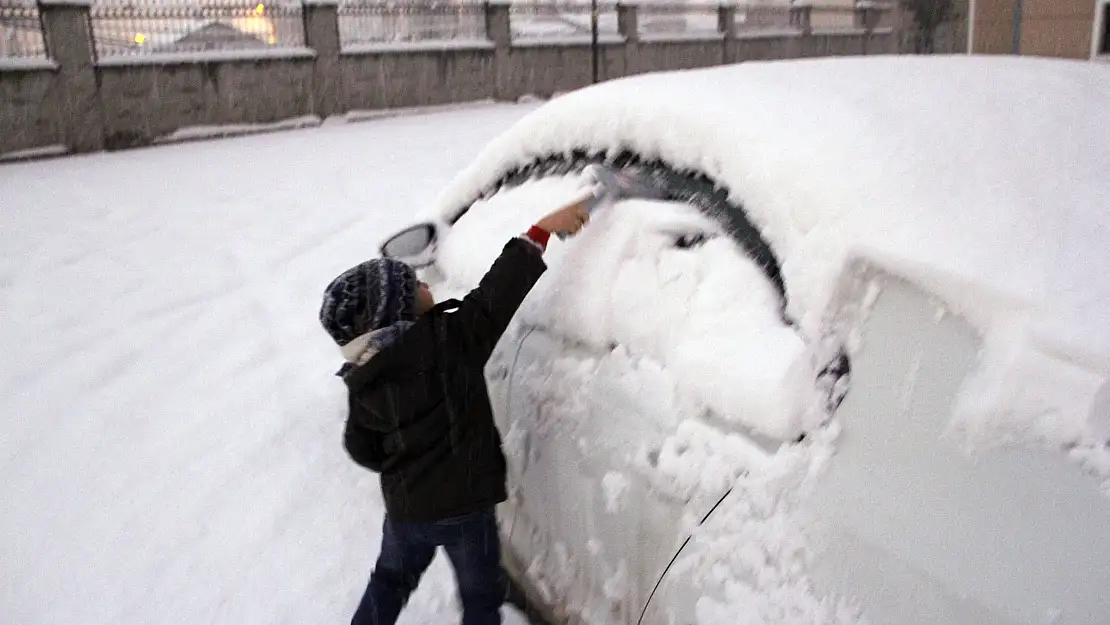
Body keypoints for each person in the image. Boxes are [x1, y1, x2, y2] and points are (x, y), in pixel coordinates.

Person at [319, 198, 591, 625]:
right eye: (414, 286)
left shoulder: (364, 380)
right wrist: (539, 231)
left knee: (390, 579)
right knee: (481, 596)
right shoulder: (452, 341)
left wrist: (401, 464)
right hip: (468, 512)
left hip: (408, 512)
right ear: (401, 312)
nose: (426, 284)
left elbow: (361, 447)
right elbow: (498, 293)